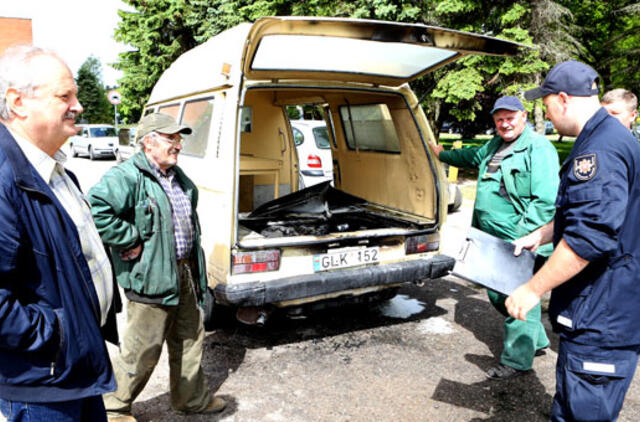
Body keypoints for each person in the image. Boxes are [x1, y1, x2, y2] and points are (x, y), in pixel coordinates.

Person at [506, 60, 640, 421]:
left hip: (602, 317)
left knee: (583, 415)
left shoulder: (600, 151)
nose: (544, 111)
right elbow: (587, 213)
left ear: (563, 99)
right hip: (600, 309)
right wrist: (543, 233)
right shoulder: (604, 137)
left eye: (545, 103)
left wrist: (532, 289)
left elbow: (589, 238)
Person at [0, 46, 117, 421]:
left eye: (77, 95)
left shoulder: (57, 171)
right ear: (18, 103)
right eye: (64, 95)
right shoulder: (5, 178)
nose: (78, 106)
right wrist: (58, 334)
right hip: (43, 386)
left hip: (76, 368)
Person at [87, 113, 226, 422]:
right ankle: (113, 408)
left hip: (184, 272)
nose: (178, 144)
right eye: (170, 138)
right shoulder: (127, 176)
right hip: (151, 276)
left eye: (179, 138)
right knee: (143, 349)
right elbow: (95, 209)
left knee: (190, 338)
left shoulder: (177, 177)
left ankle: (191, 399)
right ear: (148, 142)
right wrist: (128, 239)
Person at [429, 96, 559, 379]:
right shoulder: (494, 145)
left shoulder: (539, 148)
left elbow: (545, 201)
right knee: (496, 293)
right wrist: (441, 154)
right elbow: (469, 156)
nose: (505, 123)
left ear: (523, 117)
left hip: (519, 240)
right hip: (489, 236)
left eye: (510, 117)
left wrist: (526, 237)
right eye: (499, 119)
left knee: (518, 295)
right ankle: (536, 340)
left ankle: (516, 361)